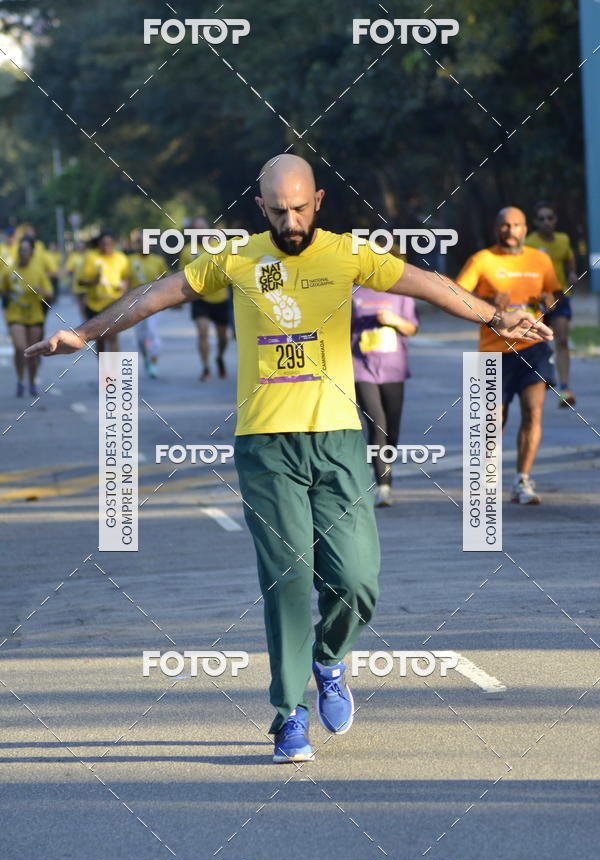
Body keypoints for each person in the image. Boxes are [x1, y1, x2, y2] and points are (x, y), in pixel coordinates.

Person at [25, 156, 551, 763]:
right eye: (278, 210)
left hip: (337, 439)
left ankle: (329, 660)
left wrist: (495, 316)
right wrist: (85, 333)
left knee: (357, 581)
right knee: (288, 580)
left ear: (319, 201)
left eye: (300, 208)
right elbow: (154, 295)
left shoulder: (348, 253)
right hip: (266, 446)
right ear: (261, 207)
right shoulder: (237, 259)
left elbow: (426, 283)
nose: (291, 220)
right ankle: (288, 715)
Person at [456, 207, 561, 505]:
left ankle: (522, 481)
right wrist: (487, 301)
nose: (510, 230)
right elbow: (456, 297)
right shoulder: (481, 260)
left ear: (525, 229)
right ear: (496, 228)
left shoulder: (540, 259)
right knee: (493, 422)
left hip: (534, 348)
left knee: (533, 413)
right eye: (505, 225)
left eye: (516, 225)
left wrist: (547, 301)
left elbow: (553, 295)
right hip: (493, 351)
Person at [351, 283, 418, 506]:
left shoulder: (401, 293)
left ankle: (385, 469)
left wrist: (394, 320)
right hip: (361, 367)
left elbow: (412, 328)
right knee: (376, 424)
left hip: (393, 369)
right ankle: (383, 486)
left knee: (392, 430)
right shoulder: (352, 291)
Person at [526, 202, 578, 407]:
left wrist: (572, 272)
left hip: (560, 296)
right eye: (541, 219)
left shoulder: (564, 240)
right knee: (538, 343)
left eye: (550, 218)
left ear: (555, 220)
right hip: (537, 300)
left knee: (562, 339)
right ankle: (540, 381)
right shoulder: (529, 243)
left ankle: (565, 387)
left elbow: (570, 260)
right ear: (535, 222)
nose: (546, 222)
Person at [2, 235, 54, 397]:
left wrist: (41, 291)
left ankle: (31, 382)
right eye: (20, 250)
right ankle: (20, 380)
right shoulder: (10, 270)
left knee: (32, 353)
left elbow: (50, 295)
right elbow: (2, 288)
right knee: (20, 347)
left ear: (31, 252)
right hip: (16, 314)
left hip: (35, 316)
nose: (22, 253)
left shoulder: (38, 271)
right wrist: (8, 295)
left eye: (25, 250)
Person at [180, 217, 231, 380]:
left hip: (220, 297)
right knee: (202, 333)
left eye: (203, 228)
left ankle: (219, 357)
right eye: (196, 229)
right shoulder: (188, 250)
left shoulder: (218, 246)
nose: (200, 231)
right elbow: (183, 275)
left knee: (223, 337)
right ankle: (206, 367)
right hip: (199, 297)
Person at [78, 232, 130, 353]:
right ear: (99, 244)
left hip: (114, 303)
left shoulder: (121, 258)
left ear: (114, 244)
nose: (106, 247)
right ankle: (104, 368)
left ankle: (114, 370)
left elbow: (126, 278)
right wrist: (93, 281)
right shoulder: (91, 258)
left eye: (109, 244)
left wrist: (124, 289)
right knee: (100, 339)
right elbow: (80, 282)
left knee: (112, 337)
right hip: (94, 304)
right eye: (103, 244)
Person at [129, 234, 167, 378]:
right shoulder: (130, 261)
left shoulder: (158, 261)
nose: (143, 246)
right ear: (135, 245)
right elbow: (125, 281)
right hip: (135, 303)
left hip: (154, 303)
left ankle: (154, 362)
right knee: (140, 337)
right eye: (140, 243)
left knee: (152, 332)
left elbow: (166, 281)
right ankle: (146, 358)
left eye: (146, 243)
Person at [65, 241, 88, 319]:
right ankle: (84, 320)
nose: (80, 248)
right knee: (81, 305)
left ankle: (88, 318)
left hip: (88, 286)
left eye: (82, 246)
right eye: (79, 246)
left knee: (86, 304)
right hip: (78, 286)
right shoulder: (74, 257)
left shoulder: (88, 255)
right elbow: (69, 270)